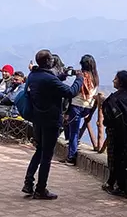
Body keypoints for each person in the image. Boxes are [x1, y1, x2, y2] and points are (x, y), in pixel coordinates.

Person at [22, 49, 83, 200]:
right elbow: (70, 92)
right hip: (50, 120)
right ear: (49, 62)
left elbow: (51, 82)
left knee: (39, 150)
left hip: (37, 119)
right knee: (47, 156)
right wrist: (79, 78)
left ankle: (28, 183)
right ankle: (40, 189)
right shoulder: (49, 80)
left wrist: (64, 75)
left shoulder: (33, 76)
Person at [101, 70, 127, 197]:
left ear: (121, 82)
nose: (113, 80)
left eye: (115, 79)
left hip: (118, 135)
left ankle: (118, 186)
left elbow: (108, 119)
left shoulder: (113, 99)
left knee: (116, 159)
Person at [63, 55, 99, 165]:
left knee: (73, 132)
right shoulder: (95, 77)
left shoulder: (82, 77)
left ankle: (71, 157)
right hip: (87, 107)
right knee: (72, 128)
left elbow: (73, 91)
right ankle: (73, 148)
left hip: (76, 106)